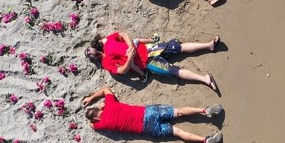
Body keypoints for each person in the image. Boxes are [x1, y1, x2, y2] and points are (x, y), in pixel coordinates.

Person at [81, 87, 223, 143]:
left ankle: (205, 140)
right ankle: (204, 110)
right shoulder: (110, 104)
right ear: (98, 109)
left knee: (178, 132)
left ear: (95, 118)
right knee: (179, 112)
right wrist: (96, 101)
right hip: (147, 112)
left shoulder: (101, 124)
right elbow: (106, 89)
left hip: (147, 127)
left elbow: (91, 125)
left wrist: (94, 119)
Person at [85, 31, 220, 92]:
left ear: (94, 46)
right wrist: (130, 59)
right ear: (94, 59)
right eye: (90, 55)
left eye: (90, 50)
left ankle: (208, 45)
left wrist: (131, 46)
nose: (92, 53)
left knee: (178, 48)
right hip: (146, 63)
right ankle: (204, 79)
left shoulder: (108, 41)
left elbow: (124, 34)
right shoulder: (106, 63)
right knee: (174, 71)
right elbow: (121, 71)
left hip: (148, 49)